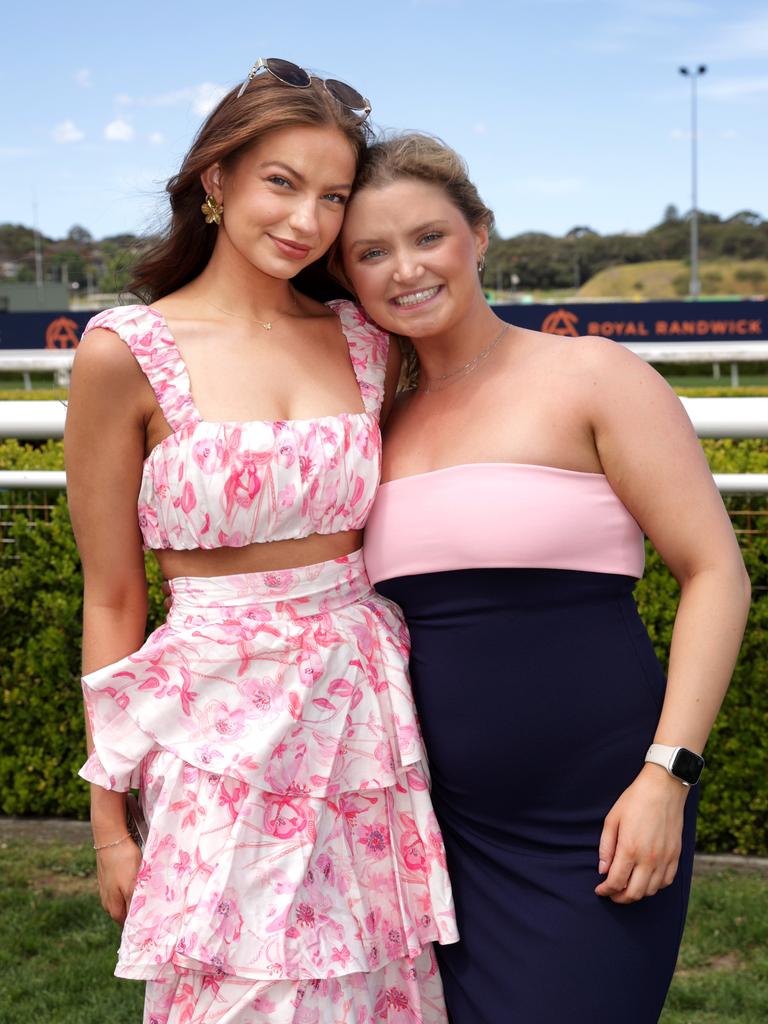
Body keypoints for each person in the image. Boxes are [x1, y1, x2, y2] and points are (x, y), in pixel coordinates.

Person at [64, 67, 457, 1024]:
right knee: (234, 995)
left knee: (375, 986)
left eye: (332, 196)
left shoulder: (369, 343)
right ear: (217, 180)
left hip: (363, 717)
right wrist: (110, 826)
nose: (308, 221)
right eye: (282, 182)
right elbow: (113, 597)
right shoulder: (126, 351)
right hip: (214, 734)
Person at [336, 133, 751, 1023]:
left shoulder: (593, 374)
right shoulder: (371, 423)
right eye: (371, 252)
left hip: (600, 815)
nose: (405, 269)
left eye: (428, 236)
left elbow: (716, 571)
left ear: (479, 234)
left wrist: (666, 776)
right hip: (434, 831)